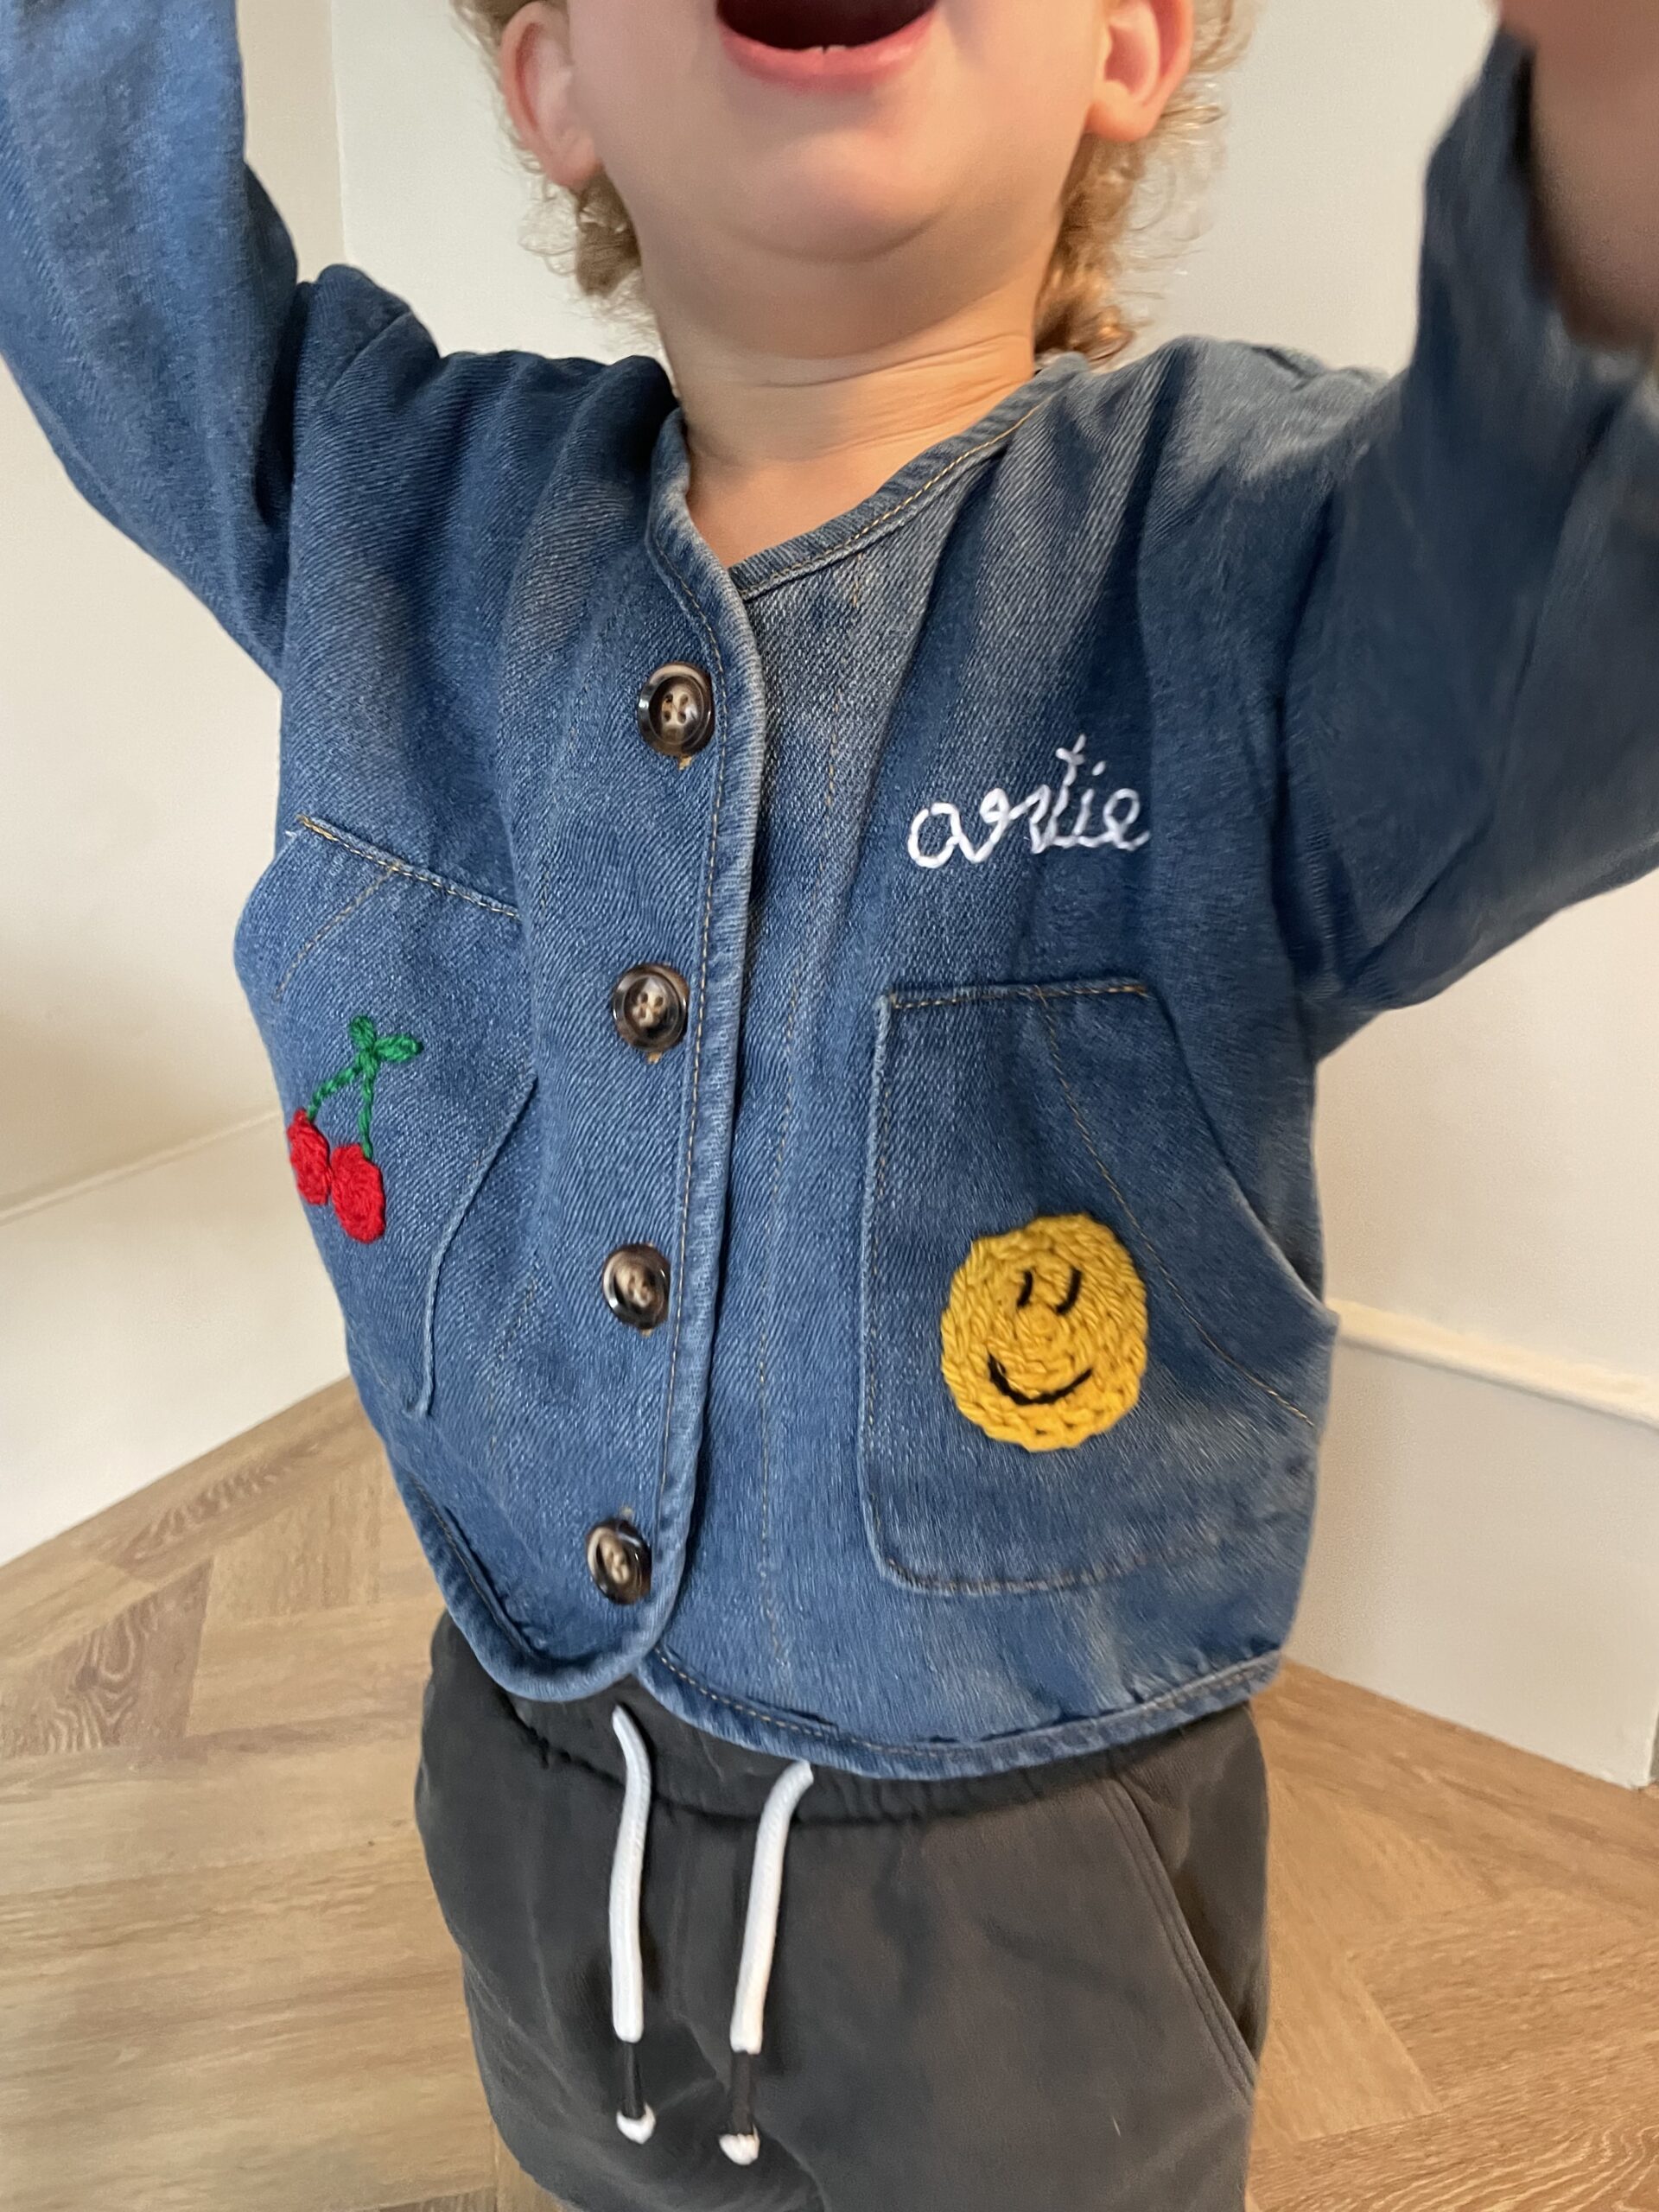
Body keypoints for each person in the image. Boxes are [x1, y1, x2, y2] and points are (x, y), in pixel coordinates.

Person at [3, 2, 1655, 2206]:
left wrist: (1611, 158)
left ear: (1132, 44)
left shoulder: (1238, 574)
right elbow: (105, 271)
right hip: (524, 1791)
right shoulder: (403, 517)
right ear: (555, 83)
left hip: (1026, 1916)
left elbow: (1554, 596)